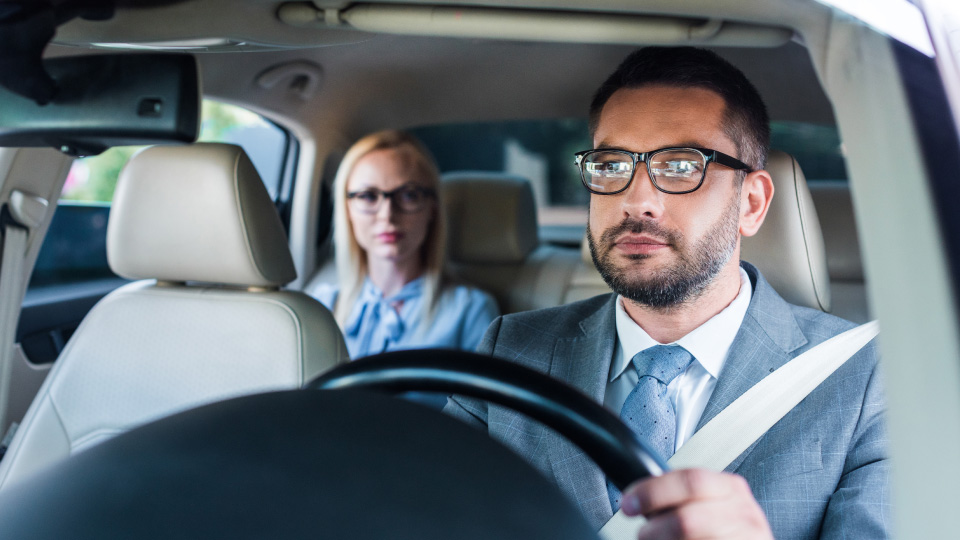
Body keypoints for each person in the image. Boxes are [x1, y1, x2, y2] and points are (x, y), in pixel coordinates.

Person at [444, 47, 887, 540]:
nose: (636, 201)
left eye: (680, 166)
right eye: (611, 165)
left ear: (751, 203)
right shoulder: (511, 350)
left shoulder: (866, 377)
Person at [312, 130, 500, 360]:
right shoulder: (323, 305)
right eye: (368, 196)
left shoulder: (469, 310)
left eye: (409, 195)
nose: (388, 215)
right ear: (347, 209)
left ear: (432, 208)